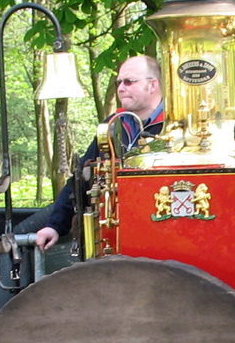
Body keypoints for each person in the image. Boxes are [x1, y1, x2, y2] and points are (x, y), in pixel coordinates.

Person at [34, 54, 165, 251]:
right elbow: (81, 179)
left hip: (159, 231)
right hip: (113, 236)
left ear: (152, 85)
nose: (121, 88)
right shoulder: (112, 125)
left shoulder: (172, 126)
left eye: (129, 82)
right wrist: (54, 226)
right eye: (119, 82)